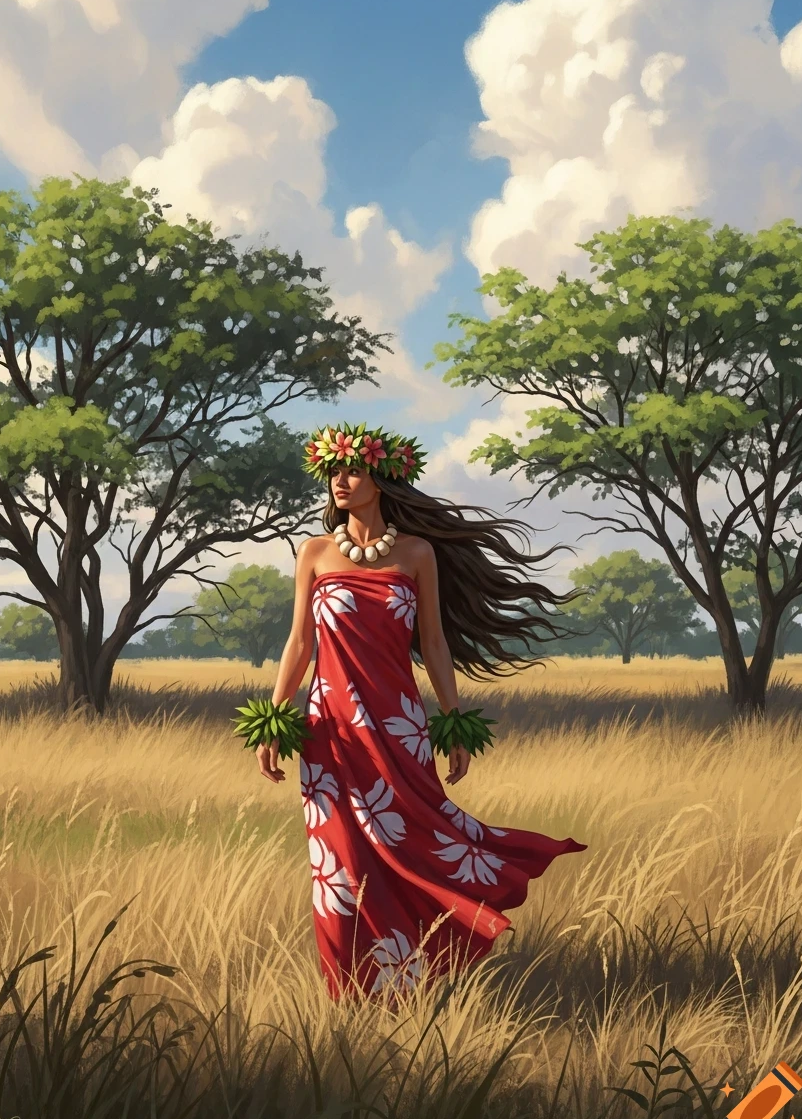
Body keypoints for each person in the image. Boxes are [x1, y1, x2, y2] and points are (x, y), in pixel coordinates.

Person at [234, 421, 587, 1001]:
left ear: (384, 477)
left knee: (416, 843)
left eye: (350, 469)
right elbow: (299, 643)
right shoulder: (315, 553)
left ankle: (414, 977)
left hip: (399, 729)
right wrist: (274, 722)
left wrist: (452, 722)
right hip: (333, 735)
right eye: (331, 472)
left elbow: (436, 642)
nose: (338, 481)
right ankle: (347, 996)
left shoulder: (417, 553)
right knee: (339, 871)